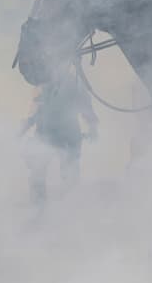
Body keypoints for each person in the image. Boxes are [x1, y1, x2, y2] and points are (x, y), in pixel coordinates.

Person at [20, 61, 97, 208]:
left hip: (68, 135)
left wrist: (93, 126)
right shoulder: (42, 82)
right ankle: (39, 209)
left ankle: (69, 209)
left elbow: (86, 106)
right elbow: (35, 109)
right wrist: (25, 126)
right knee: (37, 173)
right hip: (45, 133)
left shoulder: (75, 83)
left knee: (70, 175)